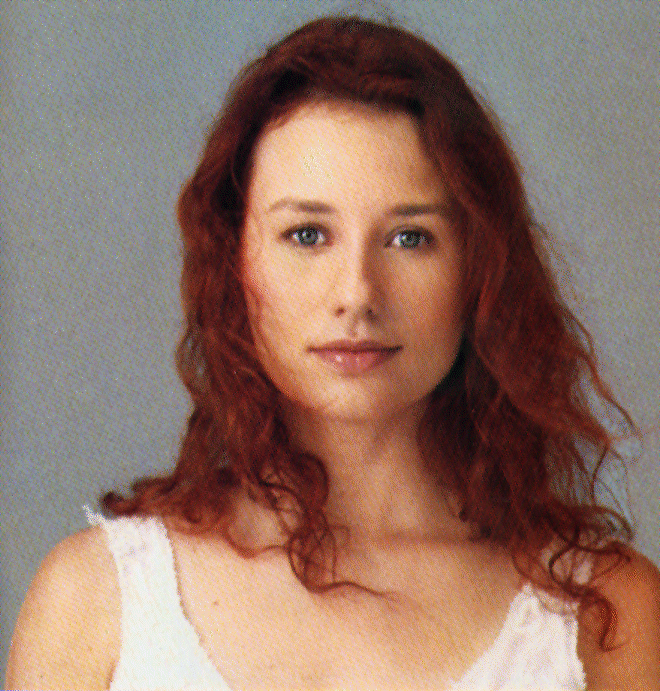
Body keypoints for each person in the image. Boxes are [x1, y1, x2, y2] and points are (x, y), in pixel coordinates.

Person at [6, 15, 660, 691]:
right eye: (307, 234)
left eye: (410, 238)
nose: (356, 293)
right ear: (235, 261)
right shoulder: (96, 600)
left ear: (480, 269)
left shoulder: (606, 615)